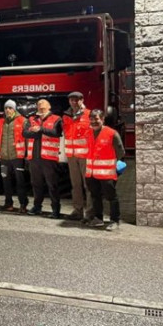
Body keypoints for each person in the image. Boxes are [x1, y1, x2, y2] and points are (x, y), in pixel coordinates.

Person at [84, 109, 125, 230]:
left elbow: (121, 152)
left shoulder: (112, 133)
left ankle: (115, 220)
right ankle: (98, 219)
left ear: (102, 119)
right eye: (91, 119)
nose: (94, 121)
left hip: (107, 173)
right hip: (91, 173)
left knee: (111, 197)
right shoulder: (88, 133)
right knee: (95, 196)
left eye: (96, 119)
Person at [23, 99, 64, 218]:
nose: (41, 105)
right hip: (34, 158)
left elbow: (57, 133)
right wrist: (39, 132)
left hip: (49, 158)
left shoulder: (56, 119)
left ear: (49, 106)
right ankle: (37, 207)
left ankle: (55, 210)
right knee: (36, 184)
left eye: (43, 103)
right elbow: (25, 133)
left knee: (52, 185)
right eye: (39, 104)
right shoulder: (31, 119)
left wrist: (41, 129)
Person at [63, 91, 93, 221]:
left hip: (86, 155)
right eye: (71, 100)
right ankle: (77, 210)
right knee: (75, 184)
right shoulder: (66, 116)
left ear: (82, 100)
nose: (74, 102)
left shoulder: (89, 114)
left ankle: (90, 213)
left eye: (76, 100)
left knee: (88, 185)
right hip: (71, 156)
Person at [0, 100, 29, 213]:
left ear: (14, 109)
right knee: (6, 180)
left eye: (10, 108)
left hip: (17, 157)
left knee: (20, 181)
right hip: (4, 158)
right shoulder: (1, 122)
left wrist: (27, 155)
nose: (7, 110)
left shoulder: (23, 121)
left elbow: (28, 139)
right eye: (6, 108)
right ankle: (8, 203)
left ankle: (23, 204)